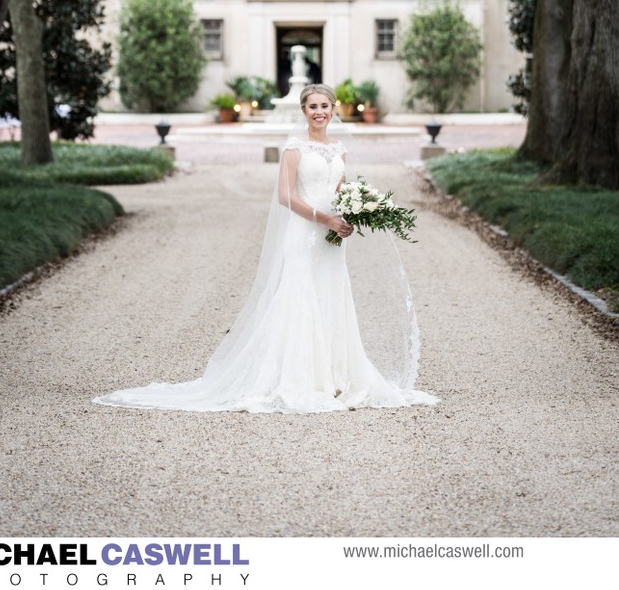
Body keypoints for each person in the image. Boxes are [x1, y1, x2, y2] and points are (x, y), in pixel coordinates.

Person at [94, 83, 437, 414]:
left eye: (325, 106)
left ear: (334, 109)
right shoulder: (294, 147)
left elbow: (340, 190)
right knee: (301, 297)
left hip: (332, 238)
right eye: (313, 107)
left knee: (332, 295)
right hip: (304, 233)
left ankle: (335, 376)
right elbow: (285, 196)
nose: (319, 112)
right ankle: (298, 378)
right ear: (303, 111)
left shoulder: (339, 149)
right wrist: (324, 219)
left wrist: (349, 215)